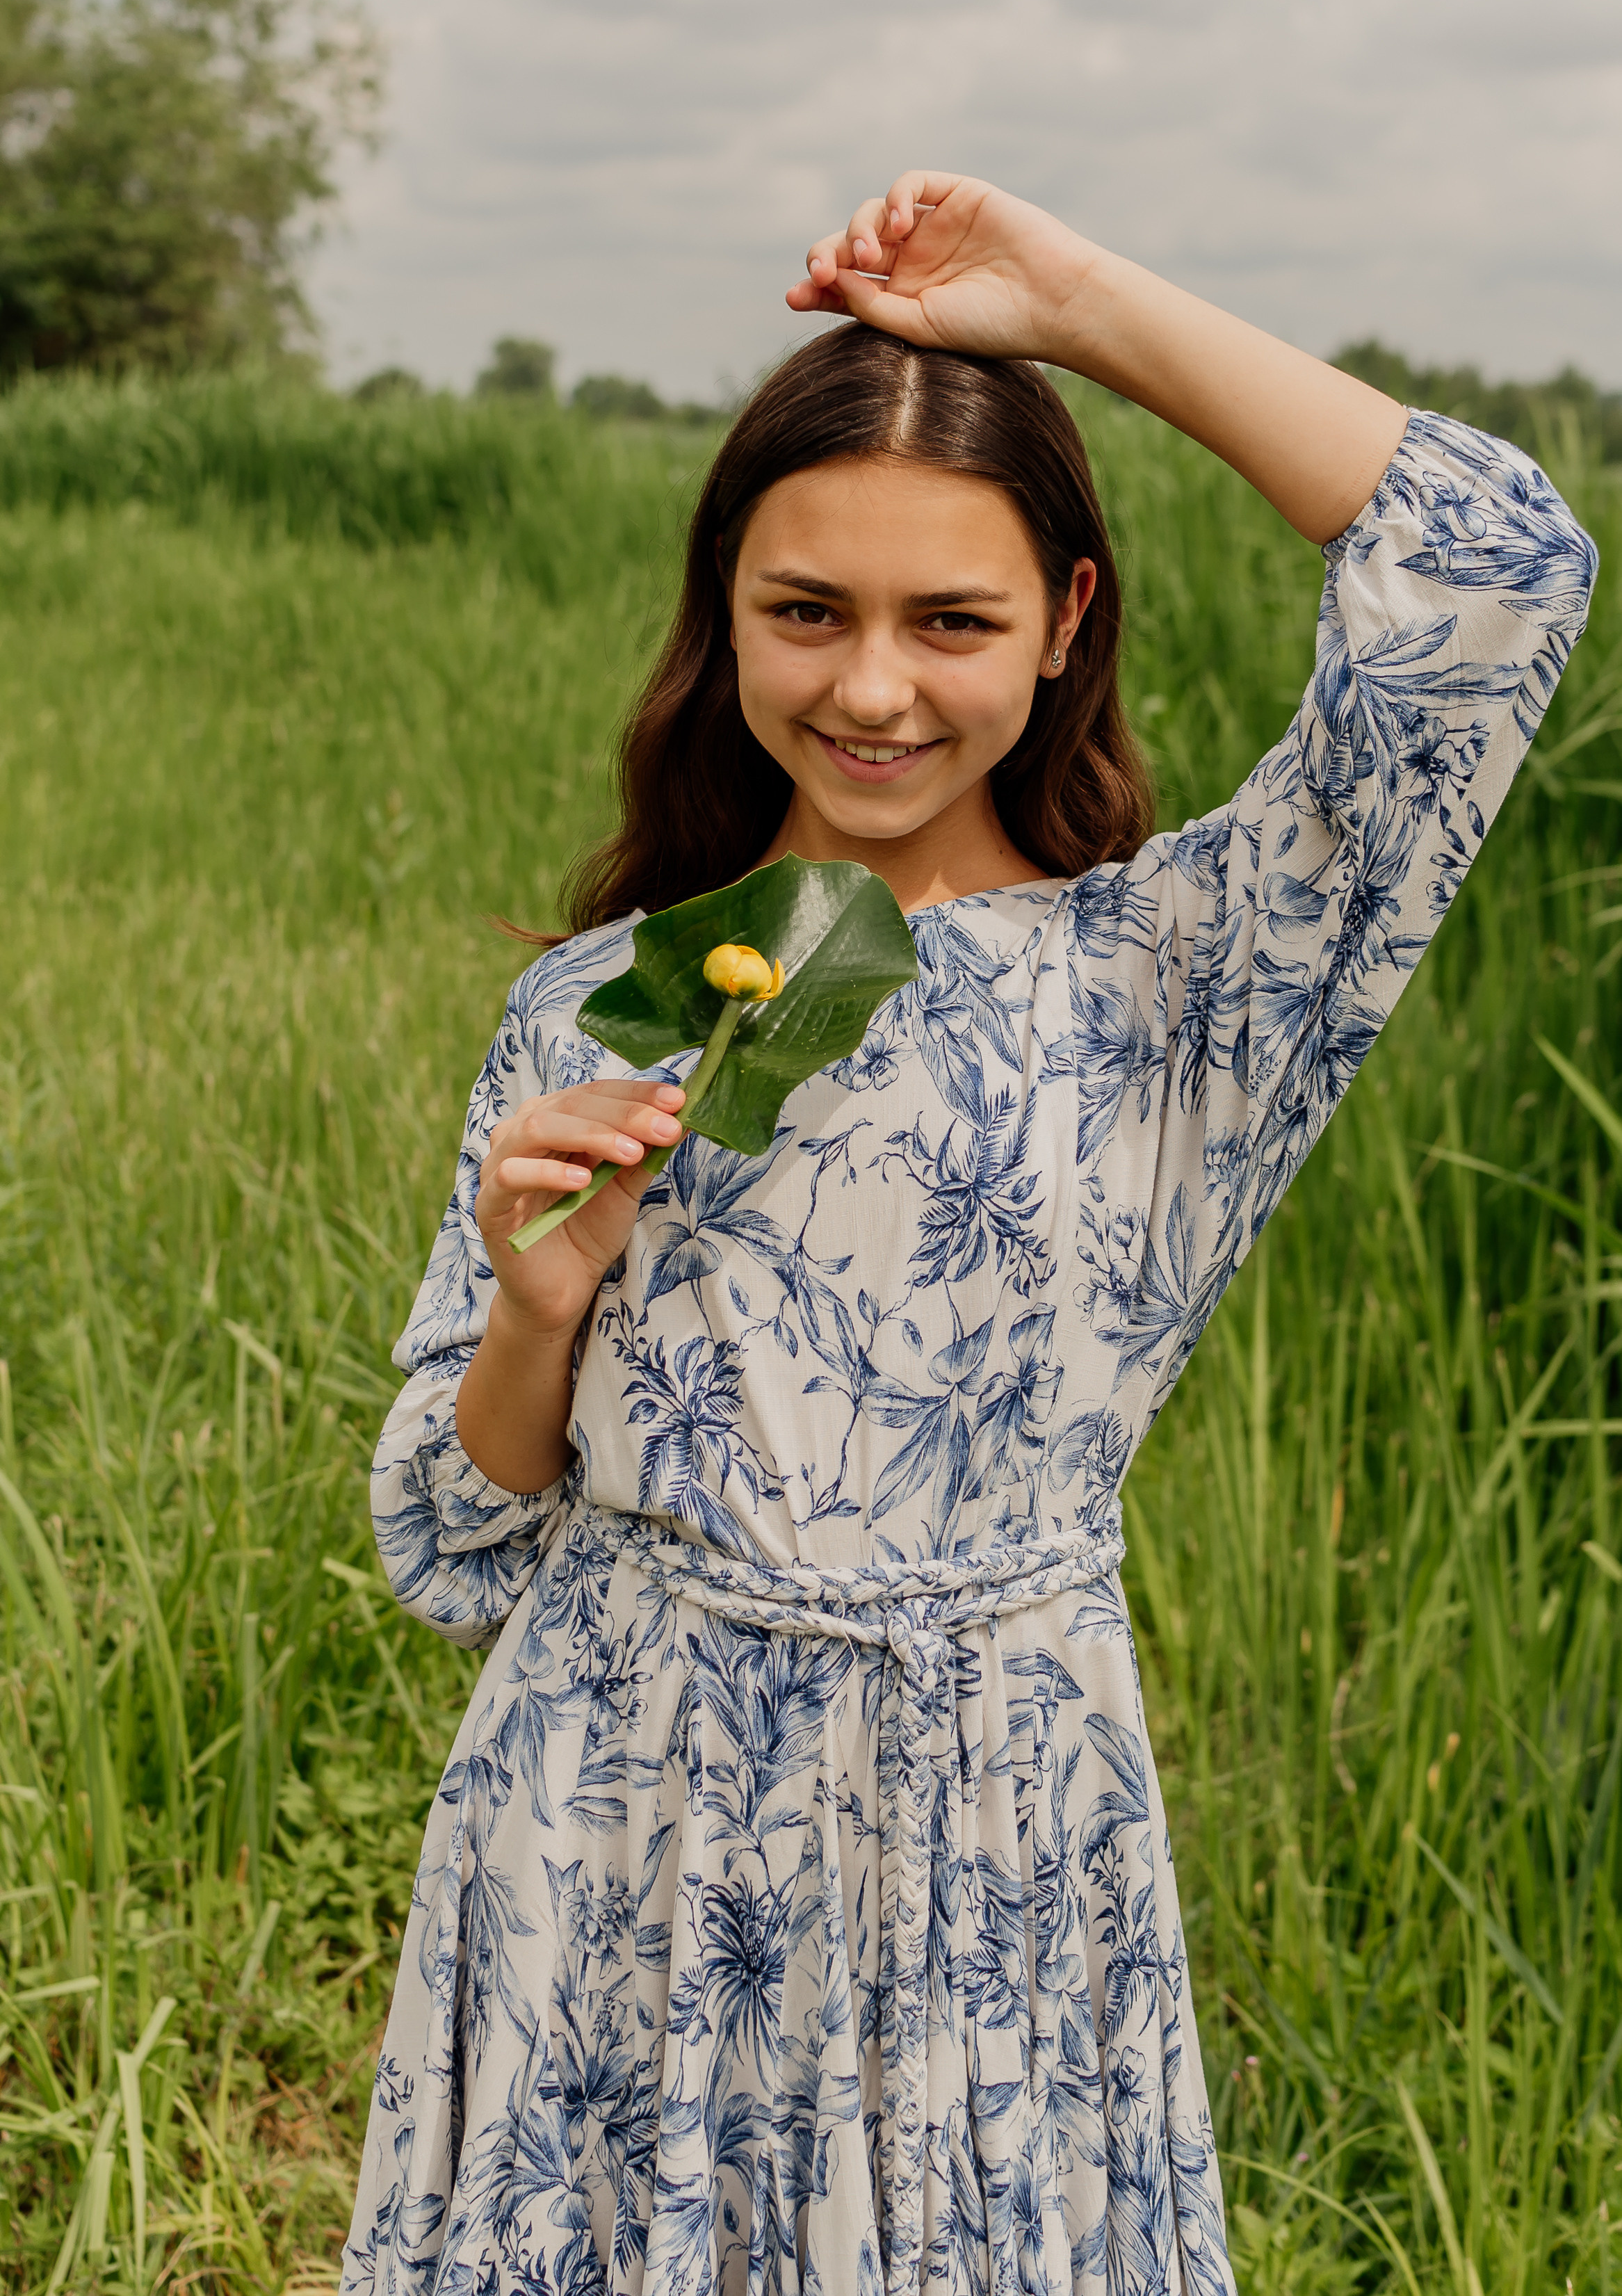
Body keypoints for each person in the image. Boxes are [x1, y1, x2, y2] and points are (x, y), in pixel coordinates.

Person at [341, 173, 1596, 2296]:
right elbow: (457, 1543)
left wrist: (1079, 301)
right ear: (722, 609)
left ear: (1069, 618)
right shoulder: (608, 997)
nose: (873, 692)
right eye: (804, 609)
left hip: (987, 1829)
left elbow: (1491, 573)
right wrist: (539, 1312)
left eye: (955, 621)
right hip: (608, 1823)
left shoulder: (1186, 972)